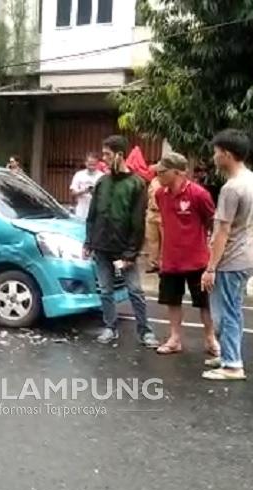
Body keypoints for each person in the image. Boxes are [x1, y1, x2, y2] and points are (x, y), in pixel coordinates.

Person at [84, 135, 158, 348]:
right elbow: (92, 215)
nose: (103, 159)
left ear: (119, 155)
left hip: (124, 250)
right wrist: (88, 242)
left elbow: (138, 224)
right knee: (105, 290)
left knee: (135, 290)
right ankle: (110, 327)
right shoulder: (102, 182)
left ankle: (145, 331)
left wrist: (130, 254)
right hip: (101, 247)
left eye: (107, 154)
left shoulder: (136, 184)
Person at [200, 129, 253, 381]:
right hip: (248, 254)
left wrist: (210, 267)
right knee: (231, 309)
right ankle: (228, 354)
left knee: (227, 312)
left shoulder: (231, 188)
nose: (214, 157)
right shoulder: (252, 179)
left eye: (216, 153)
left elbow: (222, 231)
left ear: (226, 154)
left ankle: (233, 365)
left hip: (232, 258)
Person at [153, 152, 219, 356]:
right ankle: (174, 338)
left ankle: (210, 338)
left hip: (197, 259)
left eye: (162, 172)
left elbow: (213, 222)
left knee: (204, 302)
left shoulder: (199, 194)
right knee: (172, 300)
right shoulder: (160, 194)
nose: (158, 176)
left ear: (177, 172)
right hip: (171, 259)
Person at [69, 152, 104, 219]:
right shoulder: (79, 175)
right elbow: (72, 193)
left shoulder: (102, 176)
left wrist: (94, 192)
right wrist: (84, 191)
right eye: (89, 164)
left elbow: (105, 195)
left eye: (93, 164)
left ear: (97, 164)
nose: (91, 166)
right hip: (81, 211)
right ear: (85, 163)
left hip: (96, 212)